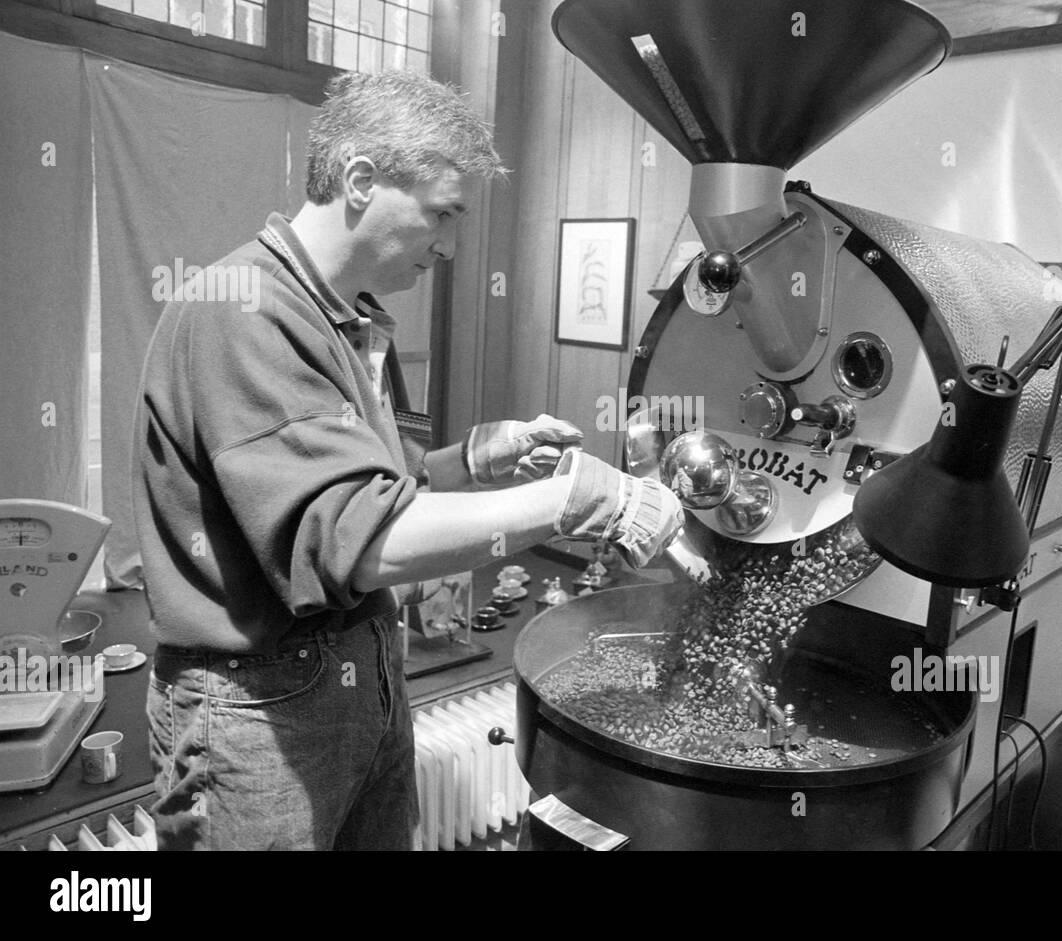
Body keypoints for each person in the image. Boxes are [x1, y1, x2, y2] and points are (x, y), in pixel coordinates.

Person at [132, 70, 682, 850]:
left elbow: (372, 488)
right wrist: (585, 498)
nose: (450, 247)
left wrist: (472, 462)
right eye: (442, 214)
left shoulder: (349, 317)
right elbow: (359, 541)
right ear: (361, 180)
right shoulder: (245, 310)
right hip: (257, 710)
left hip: (365, 675)